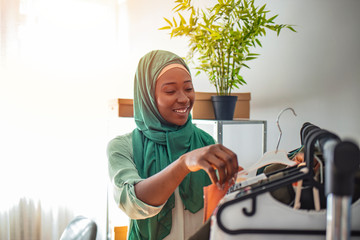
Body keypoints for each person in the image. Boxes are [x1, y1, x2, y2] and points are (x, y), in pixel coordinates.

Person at [107, 50, 238, 240]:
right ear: (148, 96)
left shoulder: (205, 143)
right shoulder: (122, 147)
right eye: (170, 91)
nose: (184, 99)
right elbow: (133, 204)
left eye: (188, 88)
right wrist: (184, 164)